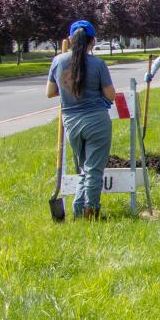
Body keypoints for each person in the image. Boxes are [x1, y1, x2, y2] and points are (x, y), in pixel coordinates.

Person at [46, 20, 116, 220]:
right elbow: (110, 95)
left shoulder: (58, 61)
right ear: (92, 42)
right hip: (96, 121)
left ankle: (78, 212)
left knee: (84, 169)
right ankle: (91, 213)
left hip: (71, 121)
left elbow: (50, 92)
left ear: (69, 39)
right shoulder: (98, 64)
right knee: (93, 169)